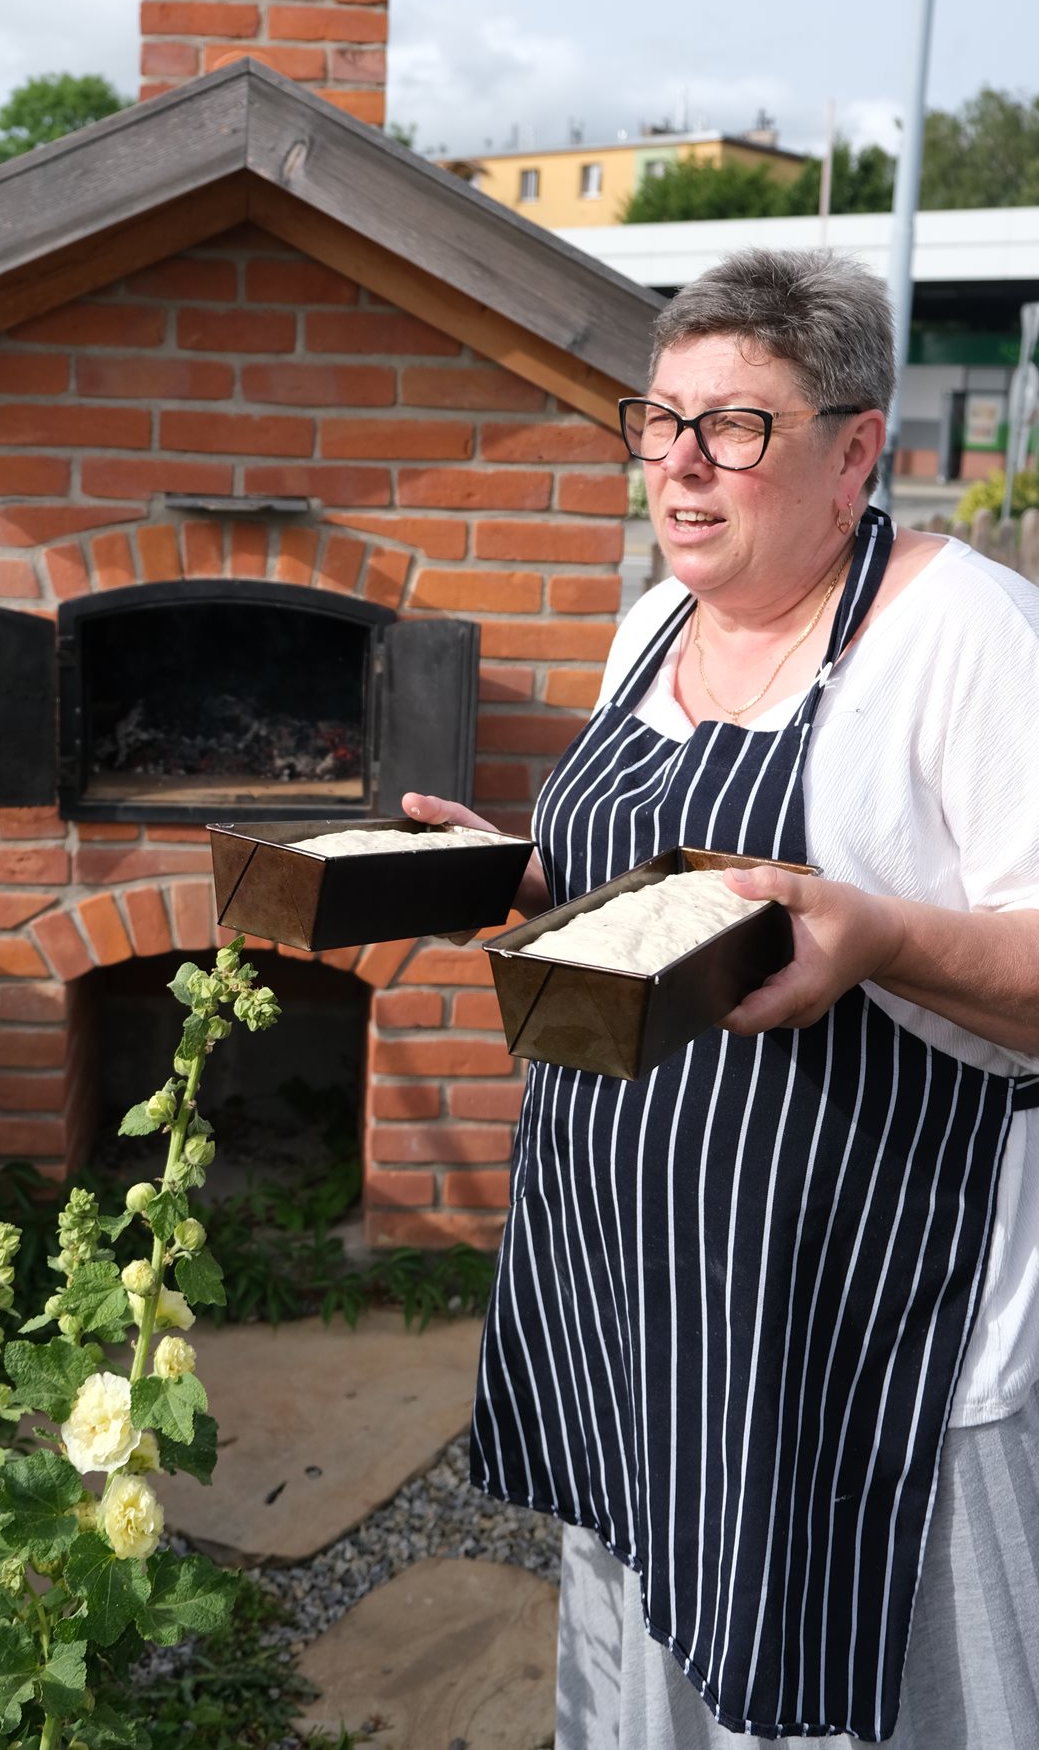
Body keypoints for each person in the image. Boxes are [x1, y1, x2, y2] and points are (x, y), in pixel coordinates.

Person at [404, 248, 1039, 1747]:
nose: (679, 464)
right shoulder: (651, 625)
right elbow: (645, 897)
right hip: (639, 1292)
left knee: (858, 1678)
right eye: (659, 418)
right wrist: (517, 877)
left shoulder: (966, 634)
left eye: (734, 425)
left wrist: (877, 935)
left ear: (855, 449)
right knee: (654, 1664)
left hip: (856, 1321)